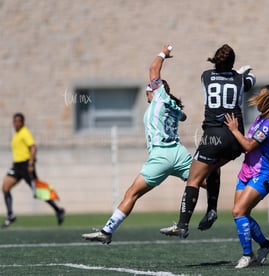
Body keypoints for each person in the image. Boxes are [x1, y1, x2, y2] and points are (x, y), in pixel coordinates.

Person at [82, 45, 206, 244]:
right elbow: (182, 116)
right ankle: (228, 208)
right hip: (179, 153)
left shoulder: (159, 96)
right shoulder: (172, 105)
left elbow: (153, 69)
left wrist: (163, 54)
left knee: (132, 193)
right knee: (205, 182)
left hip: (161, 156)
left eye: (149, 90)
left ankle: (107, 231)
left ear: (154, 90)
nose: (148, 93)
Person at [160, 44, 256, 238]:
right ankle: (211, 209)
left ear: (216, 60)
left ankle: (182, 225)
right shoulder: (240, 80)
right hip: (235, 138)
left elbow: (220, 78)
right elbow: (250, 80)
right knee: (213, 168)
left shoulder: (205, 76)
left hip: (213, 136)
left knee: (193, 180)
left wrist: (234, 72)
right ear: (232, 63)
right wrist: (241, 73)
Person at [224, 84, 269, 268]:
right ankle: (266, 245)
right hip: (246, 172)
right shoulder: (260, 118)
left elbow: (249, 146)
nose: (257, 98)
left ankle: (247, 255)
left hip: (262, 173)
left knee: (238, 211)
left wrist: (234, 130)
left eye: (261, 96)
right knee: (241, 214)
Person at [1, 113, 65, 228]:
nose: (16, 123)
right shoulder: (16, 134)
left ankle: (58, 210)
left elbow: (33, 147)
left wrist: (31, 163)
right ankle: (10, 215)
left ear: (22, 122)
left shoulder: (25, 132)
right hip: (16, 166)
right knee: (5, 187)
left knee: (39, 192)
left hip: (26, 166)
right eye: (14, 121)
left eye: (18, 121)